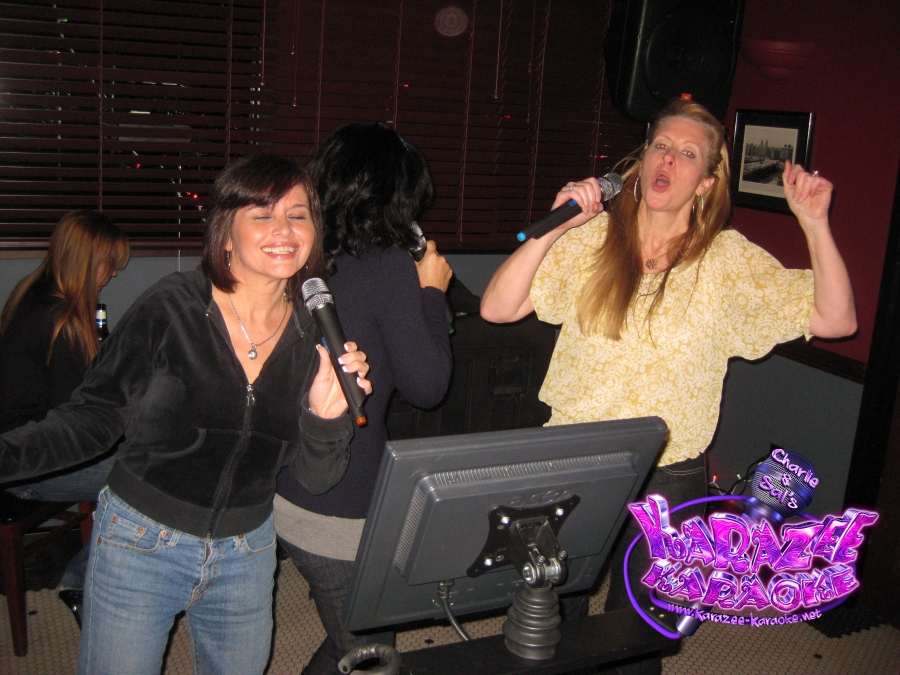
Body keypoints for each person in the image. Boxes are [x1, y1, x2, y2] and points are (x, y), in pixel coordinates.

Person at [480, 99, 855, 671]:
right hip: (574, 452)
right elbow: (497, 308)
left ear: (706, 183)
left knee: (640, 626)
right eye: (660, 145)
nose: (668, 160)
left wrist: (814, 224)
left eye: (687, 154)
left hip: (669, 466)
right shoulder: (594, 241)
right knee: (550, 609)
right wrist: (553, 229)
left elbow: (836, 320)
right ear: (640, 160)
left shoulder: (726, 261)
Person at [0, 153, 372, 675]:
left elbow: (316, 478)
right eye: (261, 215)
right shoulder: (171, 307)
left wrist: (327, 417)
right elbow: (91, 420)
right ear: (226, 233)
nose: (283, 229)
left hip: (247, 552)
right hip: (140, 542)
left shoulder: (313, 336)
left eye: (298, 213)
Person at [274, 122, 453, 675]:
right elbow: (429, 388)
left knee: (355, 640)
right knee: (373, 654)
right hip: (338, 512)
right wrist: (431, 293)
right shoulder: (385, 265)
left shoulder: (294, 257)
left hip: (285, 488)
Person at [0, 210, 130, 618]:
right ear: (88, 261)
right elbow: (78, 421)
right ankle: (81, 580)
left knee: (140, 469)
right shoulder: (59, 320)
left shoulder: (32, 292)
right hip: (28, 467)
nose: (111, 275)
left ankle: (86, 578)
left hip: (22, 449)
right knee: (148, 479)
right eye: (108, 265)